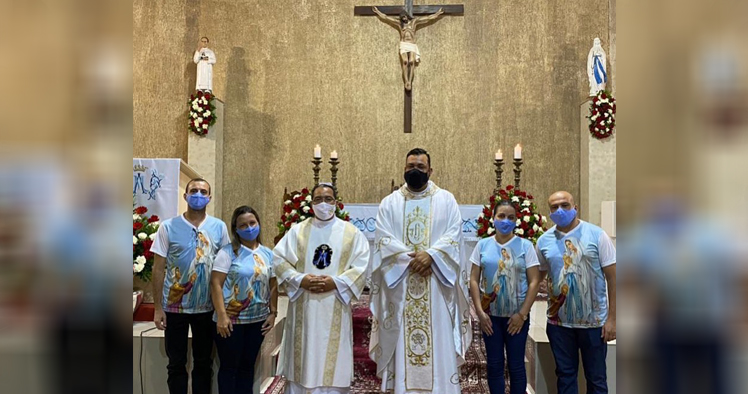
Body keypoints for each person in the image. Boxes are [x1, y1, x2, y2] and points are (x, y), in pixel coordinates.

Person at [369, 148, 470, 394]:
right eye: (410, 166)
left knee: (438, 338)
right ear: (404, 169)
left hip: (436, 284)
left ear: (430, 171)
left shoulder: (446, 199)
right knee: (402, 337)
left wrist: (432, 256)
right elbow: (383, 238)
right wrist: (411, 260)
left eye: (421, 167)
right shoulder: (390, 202)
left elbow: (454, 235)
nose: (415, 170)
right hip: (401, 285)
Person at [274, 183, 370, 394]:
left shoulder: (351, 233)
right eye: (318, 199)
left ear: (335, 203)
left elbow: (362, 266)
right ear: (311, 204)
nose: (323, 204)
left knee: (332, 365)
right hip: (304, 305)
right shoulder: (298, 231)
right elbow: (278, 259)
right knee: (304, 358)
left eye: (328, 199)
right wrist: (300, 280)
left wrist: (336, 282)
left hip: (334, 301)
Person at [151, 178, 230, 394]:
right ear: (185, 196)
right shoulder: (168, 227)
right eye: (193, 190)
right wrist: (158, 307)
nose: (198, 194)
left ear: (209, 198)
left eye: (203, 192)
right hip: (175, 307)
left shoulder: (219, 227)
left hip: (207, 307)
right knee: (176, 364)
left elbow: (225, 268)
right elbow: (158, 269)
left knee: (203, 363)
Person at [535, 191, 616, 394]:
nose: (559, 210)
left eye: (565, 205)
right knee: (565, 375)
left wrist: (613, 319)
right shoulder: (544, 241)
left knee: (596, 378)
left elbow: (613, 278)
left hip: (593, 322)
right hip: (559, 323)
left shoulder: (596, 235)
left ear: (575, 207)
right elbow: (537, 277)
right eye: (554, 207)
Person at [469, 200, 542, 394]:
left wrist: (522, 314)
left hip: (516, 317)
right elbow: (474, 280)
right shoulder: (483, 245)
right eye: (501, 216)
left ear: (516, 221)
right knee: (494, 364)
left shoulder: (525, 246)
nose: (505, 221)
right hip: (490, 316)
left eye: (510, 217)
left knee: (516, 365)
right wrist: (479, 312)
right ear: (493, 218)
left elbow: (534, 281)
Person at [211, 205, 278, 394]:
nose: (249, 228)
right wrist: (222, 316)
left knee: (247, 368)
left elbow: (273, 284)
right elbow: (216, 284)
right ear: (236, 229)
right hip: (231, 322)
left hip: (257, 320)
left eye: (252, 223)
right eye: (243, 225)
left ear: (258, 224)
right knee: (230, 368)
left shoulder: (268, 253)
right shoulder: (227, 253)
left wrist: (273, 312)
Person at [372, 7, 444, 90]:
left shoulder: (414, 22)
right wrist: (378, 12)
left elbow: (427, 18)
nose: (404, 19)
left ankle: (410, 81)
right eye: (402, 18)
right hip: (403, 44)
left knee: (412, 62)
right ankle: (406, 81)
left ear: (407, 16)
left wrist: (437, 13)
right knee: (405, 62)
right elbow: (386, 18)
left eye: (405, 17)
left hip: (412, 44)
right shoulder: (400, 24)